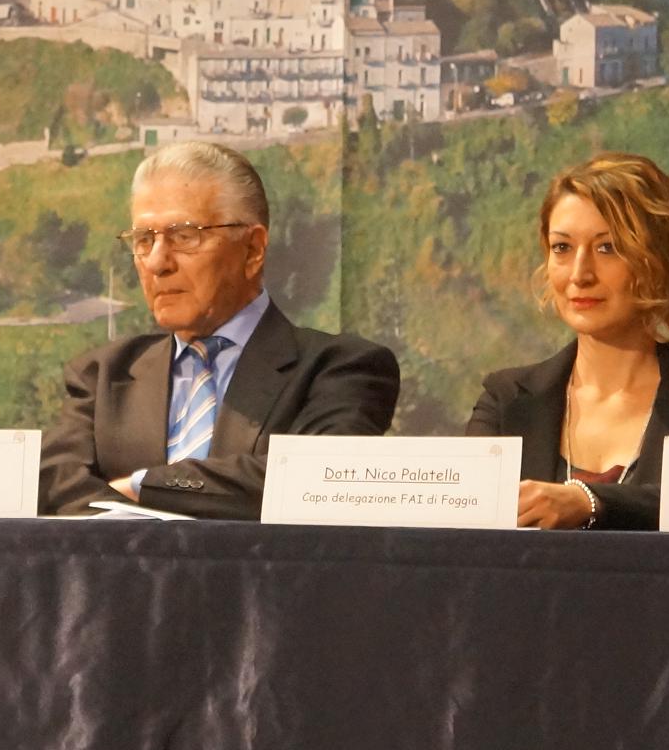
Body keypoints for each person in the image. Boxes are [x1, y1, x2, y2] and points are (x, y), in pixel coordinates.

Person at [40, 141, 400, 519]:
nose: (157, 262)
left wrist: (144, 486)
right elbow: (55, 485)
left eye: (184, 236)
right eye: (144, 240)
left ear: (253, 249)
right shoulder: (102, 375)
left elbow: (316, 480)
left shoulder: (340, 370)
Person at [466, 152, 669, 530]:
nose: (579, 274)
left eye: (607, 247)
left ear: (658, 260)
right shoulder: (505, 398)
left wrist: (589, 502)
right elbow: (466, 518)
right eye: (562, 248)